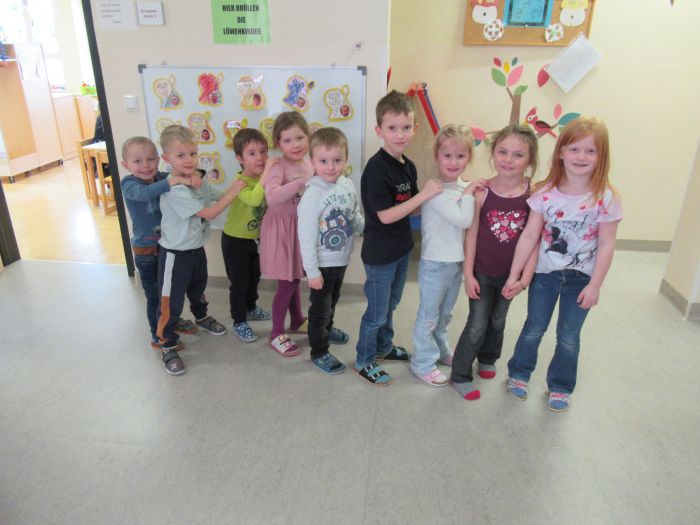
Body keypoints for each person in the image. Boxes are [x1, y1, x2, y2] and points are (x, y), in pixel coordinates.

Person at [504, 117, 622, 411]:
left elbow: (606, 244)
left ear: (602, 157)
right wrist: (515, 274)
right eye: (574, 149)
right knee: (534, 327)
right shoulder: (544, 193)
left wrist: (596, 286)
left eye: (591, 151)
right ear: (561, 153)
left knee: (568, 336)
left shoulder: (606, 198)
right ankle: (519, 373)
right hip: (545, 275)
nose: (581, 156)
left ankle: (560, 385)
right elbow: (529, 235)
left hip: (581, 279)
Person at [354, 90, 443, 386]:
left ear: (414, 128)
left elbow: (411, 206)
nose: (400, 134)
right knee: (377, 312)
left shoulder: (409, 165)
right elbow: (386, 215)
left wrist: (438, 198)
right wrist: (424, 195)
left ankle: (384, 347)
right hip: (380, 255)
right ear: (379, 130)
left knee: (391, 304)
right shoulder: (376, 169)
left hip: (401, 248)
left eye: (406, 127)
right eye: (392, 128)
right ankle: (364, 359)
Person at [450, 125, 539, 400]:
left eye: (518, 155)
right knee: (477, 324)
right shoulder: (482, 192)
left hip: (510, 275)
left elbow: (535, 240)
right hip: (482, 272)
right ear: (493, 153)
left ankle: (488, 357)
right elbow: (471, 234)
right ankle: (460, 374)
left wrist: (524, 279)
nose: (508, 160)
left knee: (498, 320)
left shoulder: (533, 194)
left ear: (530, 160)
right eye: (502, 152)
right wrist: (468, 274)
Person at [156, 125, 246, 376]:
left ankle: (201, 317)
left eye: (193, 154)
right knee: (171, 302)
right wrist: (235, 191)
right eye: (181, 155)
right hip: (175, 256)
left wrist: (246, 188)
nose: (189, 160)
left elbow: (219, 195)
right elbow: (210, 212)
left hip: (196, 250)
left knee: (198, 289)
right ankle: (167, 343)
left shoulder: (198, 182)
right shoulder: (174, 190)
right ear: (166, 158)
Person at [410, 125, 485, 387]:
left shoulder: (462, 188)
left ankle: (441, 350)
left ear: (469, 157)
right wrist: (469, 193)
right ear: (437, 157)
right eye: (447, 156)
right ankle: (422, 362)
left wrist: (469, 191)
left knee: (444, 315)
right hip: (435, 265)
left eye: (460, 156)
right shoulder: (436, 190)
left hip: (455, 263)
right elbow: (464, 219)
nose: (454, 162)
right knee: (429, 317)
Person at [121, 136, 202, 351]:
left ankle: (171, 322)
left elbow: (180, 175)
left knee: (170, 293)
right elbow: (145, 193)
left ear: (159, 160)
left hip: (170, 248)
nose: (145, 165)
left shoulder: (163, 177)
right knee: (155, 297)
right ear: (125, 165)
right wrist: (172, 182)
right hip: (147, 252)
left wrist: (193, 175)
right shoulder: (129, 184)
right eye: (137, 161)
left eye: (150, 159)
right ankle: (157, 334)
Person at [297, 127, 364, 374]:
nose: (331, 167)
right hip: (322, 265)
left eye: (337, 160)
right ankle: (319, 351)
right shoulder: (312, 196)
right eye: (323, 161)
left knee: (333, 302)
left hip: (341, 260)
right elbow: (305, 238)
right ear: (313, 161)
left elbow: (354, 215)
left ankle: (326, 329)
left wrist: (366, 228)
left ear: (346, 159)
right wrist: (312, 272)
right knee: (320, 309)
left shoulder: (347, 185)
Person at [259, 112, 314, 357]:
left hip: (300, 228)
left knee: (295, 275)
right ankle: (276, 333)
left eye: (300, 137)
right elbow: (271, 197)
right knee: (287, 280)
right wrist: (299, 183)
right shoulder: (277, 165)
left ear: (308, 136)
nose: (295, 144)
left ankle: (298, 319)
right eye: (287, 140)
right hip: (281, 230)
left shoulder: (309, 162)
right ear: (278, 143)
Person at [221, 129, 274, 343]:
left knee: (254, 278)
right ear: (240, 159)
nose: (260, 157)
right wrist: (267, 176)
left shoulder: (264, 179)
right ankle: (239, 321)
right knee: (240, 283)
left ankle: (251, 308)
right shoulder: (240, 182)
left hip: (256, 240)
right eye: (252, 153)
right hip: (235, 241)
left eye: (263, 151)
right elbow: (254, 199)